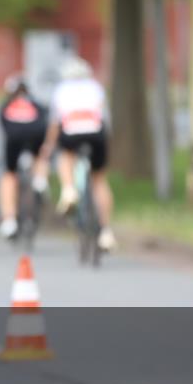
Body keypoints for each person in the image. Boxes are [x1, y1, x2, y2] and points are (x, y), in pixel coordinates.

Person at [39, 57, 116, 251]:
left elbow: (55, 123)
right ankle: (106, 231)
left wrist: (48, 145)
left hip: (71, 132)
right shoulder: (96, 88)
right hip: (96, 133)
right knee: (99, 179)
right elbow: (105, 120)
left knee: (65, 156)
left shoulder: (61, 90)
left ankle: (69, 189)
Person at [0, 74, 49, 239]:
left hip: (14, 138)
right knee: (40, 156)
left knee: (9, 175)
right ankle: (40, 180)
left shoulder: (7, 105)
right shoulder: (36, 104)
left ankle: (9, 220)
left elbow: (3, 128)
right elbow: (45, 124)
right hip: (36, 134)